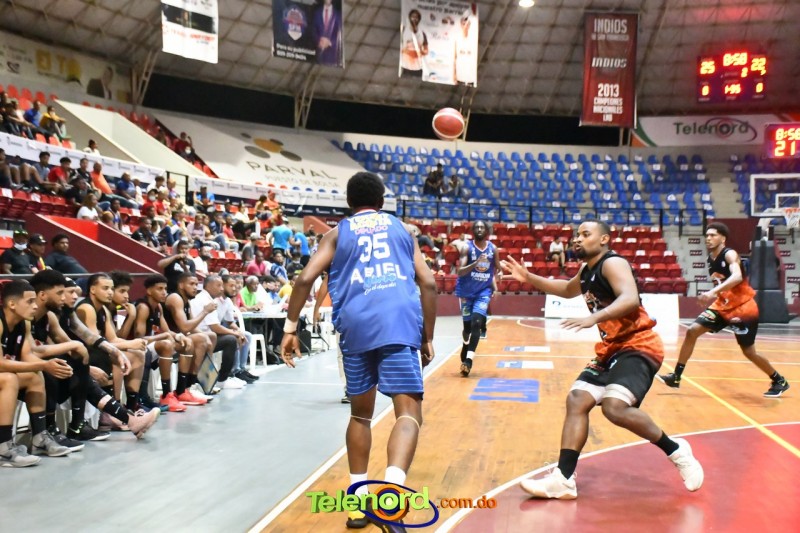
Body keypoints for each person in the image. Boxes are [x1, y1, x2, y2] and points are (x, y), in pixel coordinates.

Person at [501, 220, 704, 499]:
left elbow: (630, 298)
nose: (577, 239)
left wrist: (593, 318)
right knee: (577, 399)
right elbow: (566, 289)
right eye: (577, 235)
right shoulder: (587, 270)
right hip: (612, 348)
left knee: (614, 408)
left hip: (638, 344)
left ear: (604, 239)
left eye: (586, 234)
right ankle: (564, 479)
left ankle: (677, 451)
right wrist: (529, 277)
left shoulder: (613, 263)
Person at [281, 172, 436, 530]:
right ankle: (391, 496)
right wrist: (426, 336)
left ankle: (356, 503)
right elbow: (427, 283)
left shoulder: (337, 233)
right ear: (381, 201)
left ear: (349, 203)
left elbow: (304, 279)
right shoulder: (402, 230)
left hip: (355, 326)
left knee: (360, 416)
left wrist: (290, 329)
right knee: (408, 414)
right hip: (398, 324)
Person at [658, 222, 790, 397]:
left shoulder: (730, 254)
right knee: (692, 331)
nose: (708, 238)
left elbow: (737, 276)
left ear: (723, 239)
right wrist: (716, 294)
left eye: (713, 235)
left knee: (749, 352)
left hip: (743, 307)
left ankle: (779, 380)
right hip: (722, 305)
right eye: (707, 235)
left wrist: (712, 292)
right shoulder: (710, 259)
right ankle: (676, 376)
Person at [0, 280, 72, 464]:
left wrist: (49, 365)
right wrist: (44, 365)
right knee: (9, 379)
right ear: (12, 304)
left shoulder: (23, 324)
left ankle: (40, 438)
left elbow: (27, 357)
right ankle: (3, 446)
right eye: (30, 301)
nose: (35, 306)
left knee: (34, 376)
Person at [455, 220, 500, 377]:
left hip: (483, 291)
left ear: (486, 231)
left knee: (476, 323)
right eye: (477, 227)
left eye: (482, 227)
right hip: (466, 292)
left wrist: (498, 277)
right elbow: (460, 271)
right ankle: (465, 344)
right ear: (473, 231)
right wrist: (475, 264)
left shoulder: (493, 249)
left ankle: (468, 361)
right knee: (467, 328)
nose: (480, 229)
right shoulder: (466, 248)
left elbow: (496, 269)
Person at [312, 0, 343, 66]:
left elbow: (341, 33)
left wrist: (330, 42)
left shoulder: (338, 15)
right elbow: (313, 30)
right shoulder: (317, 13)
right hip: (319, 55)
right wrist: (319, 41)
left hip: (333, 56)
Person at [400, 8, 428, 78]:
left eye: (416, 17)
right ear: (409, 18)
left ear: (419, 19)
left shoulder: (422, 34)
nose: (414, 19)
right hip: (405, 65)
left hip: (418, 67)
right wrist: (406, 49)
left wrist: (420, 51)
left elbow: (426, 50)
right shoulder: (403, 31)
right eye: (413, 17)